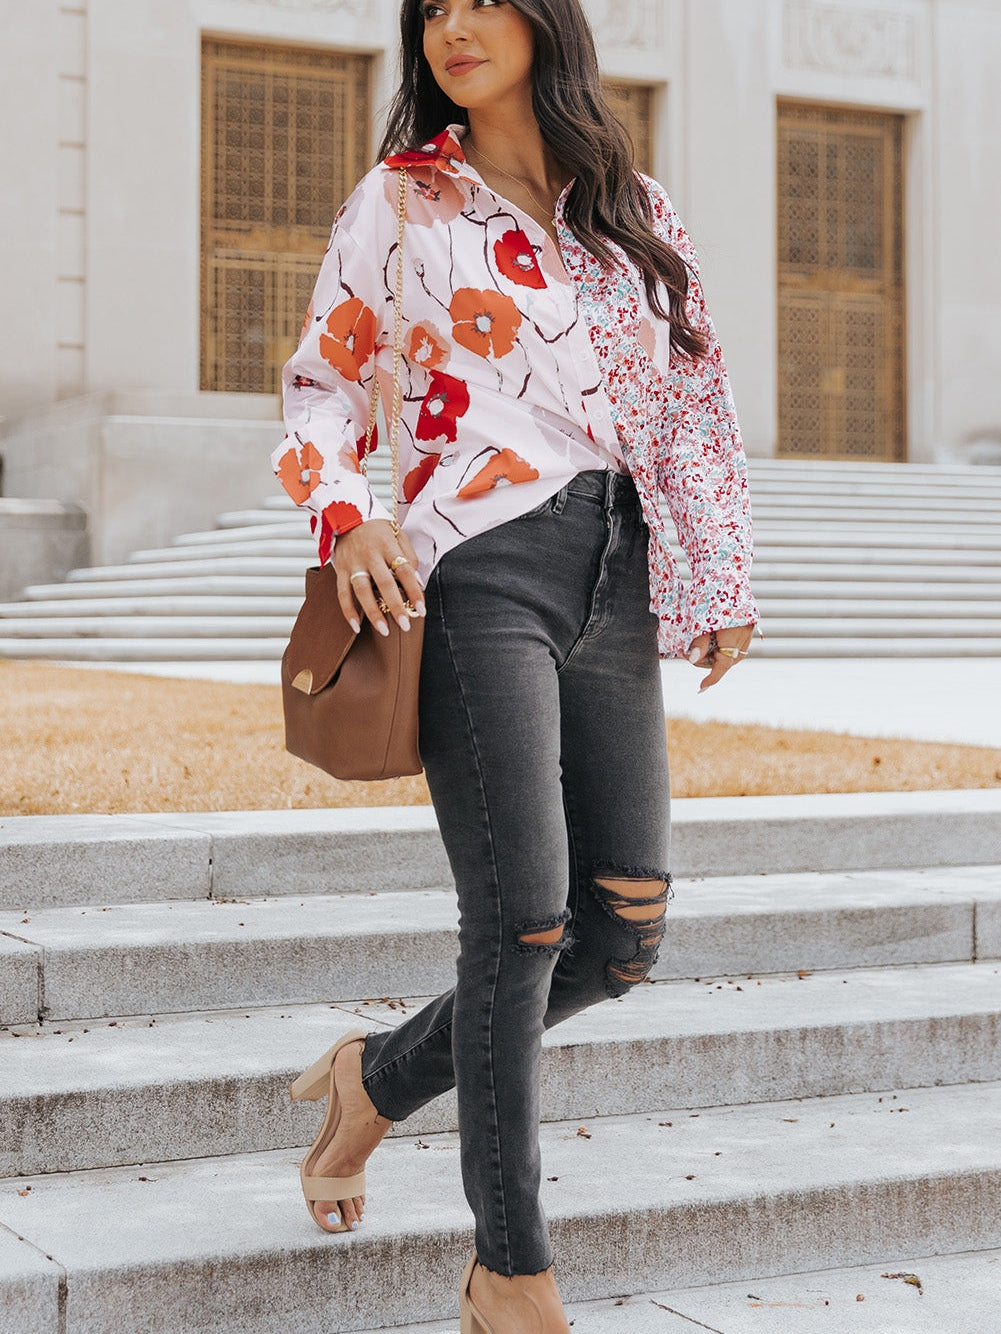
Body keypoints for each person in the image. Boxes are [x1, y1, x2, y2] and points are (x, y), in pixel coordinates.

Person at [273, 0, 758, 1328]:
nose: (456, 25)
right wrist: (348, 510)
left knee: (622, 929)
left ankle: (375, 1076)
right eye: (435, 8)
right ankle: (512, 1266)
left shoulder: (633, 205)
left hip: (616, 564)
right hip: (477, 562)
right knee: (524, 919)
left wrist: (718, 573)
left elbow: (696, 401)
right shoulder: (403, 200)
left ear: (548, 23)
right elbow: (322, 382)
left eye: (488, 0)